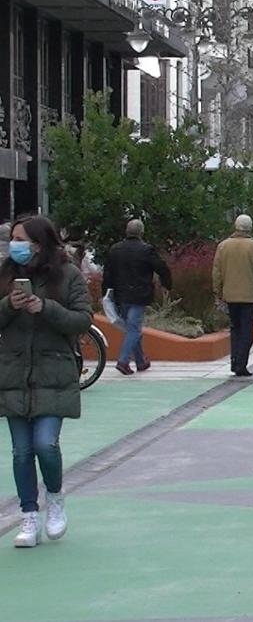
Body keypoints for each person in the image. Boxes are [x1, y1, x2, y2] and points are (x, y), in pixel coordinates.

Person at [0, 216, 93, 548]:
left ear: (40, 242)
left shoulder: (68, 276)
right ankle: (28, 515)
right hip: (13, 374)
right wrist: (9, 306)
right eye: (13, 239)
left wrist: (47, 308)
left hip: (53, 373)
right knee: (21, 451)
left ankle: (54, 497)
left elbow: (83, 319)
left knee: (45, 444)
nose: (16, 245)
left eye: (21, 238)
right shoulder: (5, 274)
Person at [102, 219, 172, 376]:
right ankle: (123, 361)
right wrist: (166, 283)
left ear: (127, 232)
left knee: (131, 328)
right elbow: (161, 267)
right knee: (133, 329)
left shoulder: (115, 249)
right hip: (139, 294)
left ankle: (140, 361)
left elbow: (108, 272)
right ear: (141, 232)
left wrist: (106, 292)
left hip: (120, 295)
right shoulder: (146, 250)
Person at [212, 215, 253, 378]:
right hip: (249, 295)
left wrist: (218, 291)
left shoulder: (223, 246)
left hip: (230, 295)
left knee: (235, 329)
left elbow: (216, 272)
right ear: (250, 228)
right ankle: (241, 363)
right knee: (246, 331)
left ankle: (234, 359)